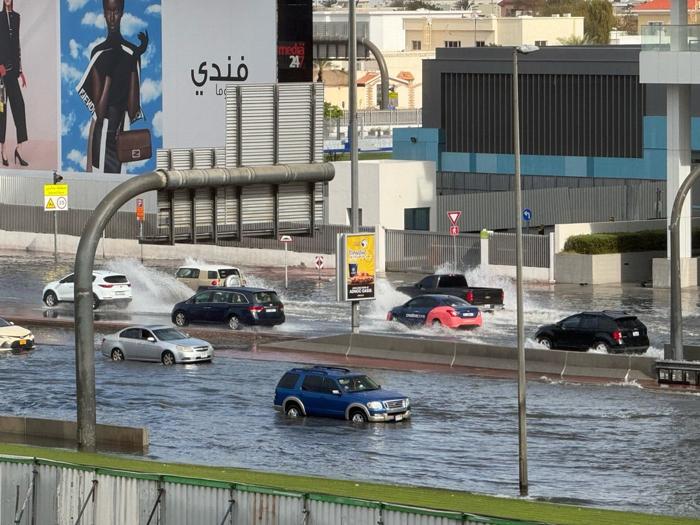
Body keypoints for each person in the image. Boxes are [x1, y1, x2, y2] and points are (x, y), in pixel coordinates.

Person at [76, 0, 148, 173]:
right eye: (108, 11)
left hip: (122, 132)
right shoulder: (98, 53)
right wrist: (109, 75)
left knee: (119, 189)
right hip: (100, 133)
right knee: (99, 185)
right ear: (103, 13)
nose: (112, 17)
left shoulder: (131, 53)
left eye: (116, 11)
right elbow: (99, 114)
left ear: (122, 12)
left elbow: (132, 110)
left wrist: (132, 61)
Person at [0, 0, 28, 167]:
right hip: (1, 74)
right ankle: (2, 150)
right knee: (1, 111)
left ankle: (18, 149)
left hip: (13, 71)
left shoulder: (17, 17)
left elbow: (17, 44)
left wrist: (20, 70)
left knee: (19, 106)